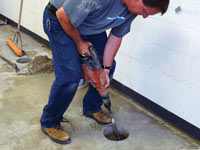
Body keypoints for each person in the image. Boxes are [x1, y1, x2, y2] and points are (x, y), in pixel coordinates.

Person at [40, 0, 169, 144]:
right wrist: (79, 43)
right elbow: (62, 15)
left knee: (107, 66)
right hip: (61, 21)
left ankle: (92, 108)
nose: (144, 16)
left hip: (89, 25)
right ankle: (50, 121)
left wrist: (105, 70)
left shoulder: (132, 10)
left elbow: (116, 37)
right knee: (70, 76)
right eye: (145, 12)